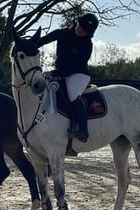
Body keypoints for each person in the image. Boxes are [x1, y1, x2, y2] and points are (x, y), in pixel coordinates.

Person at [35, 13, 99, 142]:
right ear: (77, 22)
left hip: (78, 74)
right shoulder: (61, 33)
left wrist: (54, 73)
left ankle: (83, 130)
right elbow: (42, 41)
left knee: (73, 93)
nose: (80, 30)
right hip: (59, 72)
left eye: (85, 31)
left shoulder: (87, 44)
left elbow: (76, 66)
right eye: (80, 26)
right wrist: (29, 46)